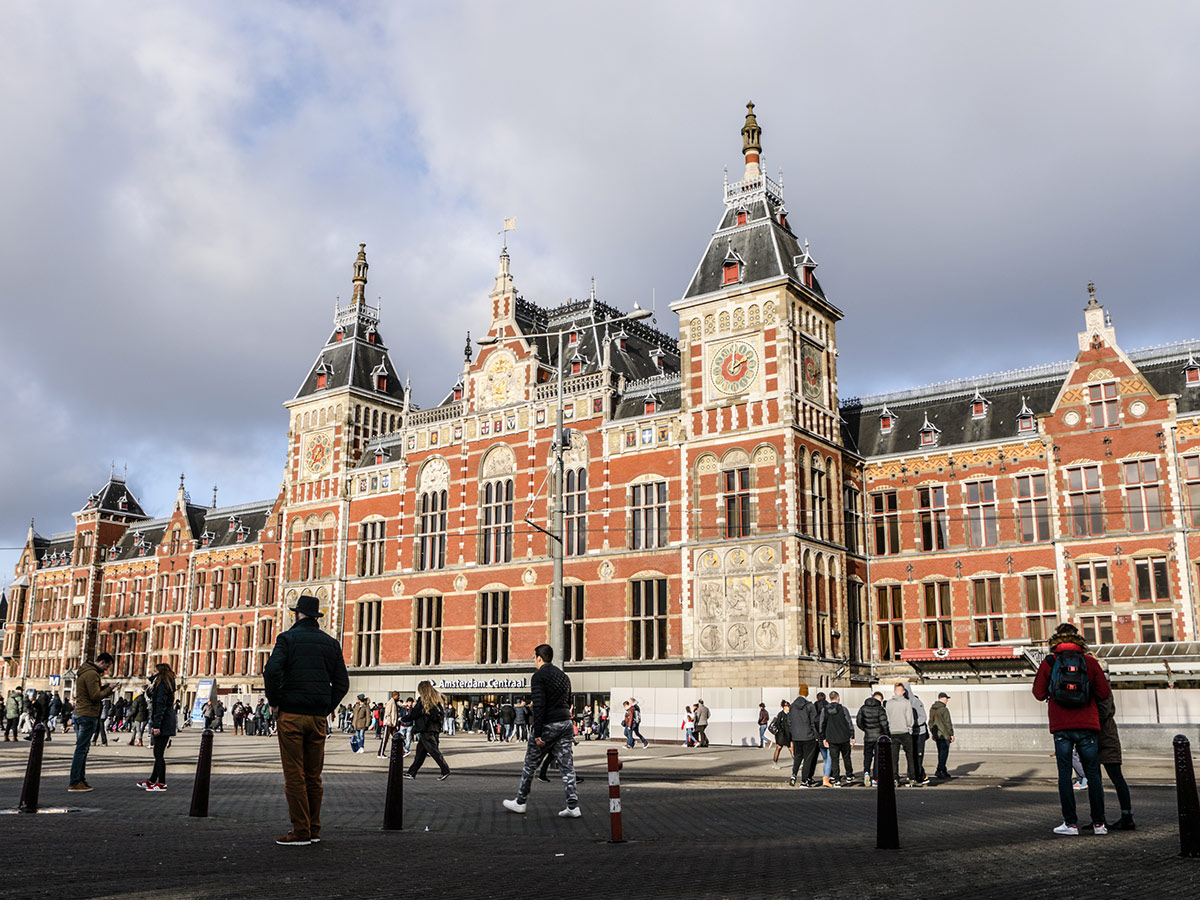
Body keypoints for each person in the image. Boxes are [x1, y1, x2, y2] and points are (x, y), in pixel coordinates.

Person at [263, 594, 350, 846]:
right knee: (314, 775)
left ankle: (300, 830)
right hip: (317, 719)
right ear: (317, 617)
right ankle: (313, 828)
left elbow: (271, 670)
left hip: (291, 715)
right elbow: (342, 684)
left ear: (296, 614)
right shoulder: (331, 643)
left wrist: (275, 701)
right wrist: (325, 707)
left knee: (294, 775)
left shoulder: (287, 639)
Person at [1032, 623, 1111, 836]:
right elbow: (1104, 693)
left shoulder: (1050, 662)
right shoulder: (1089, 661)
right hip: (1088, 725)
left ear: (1056, 638)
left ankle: (1071, 824)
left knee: (1064, 775)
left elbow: (1038, 693)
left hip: (1062, 726)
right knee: (1093, 775)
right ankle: (1099, 824)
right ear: (1078, 638)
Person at [502, 644, 580, 818]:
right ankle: (573, 806)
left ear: (539, 658)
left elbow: (539, 705)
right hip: (565, 723)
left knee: (530, 764)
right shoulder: (564, 676)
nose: (534, 661)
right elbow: (568, 700)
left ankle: (520, 801)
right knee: (567, 767)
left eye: (534, 657)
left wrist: (537, 733)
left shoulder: (538, 677)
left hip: (548, 725)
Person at [69, 652, 115, 792]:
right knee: (81, 749)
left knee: (82, 748)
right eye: (106, 666)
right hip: (87, 714)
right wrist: (109, 689)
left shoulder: (84, 672)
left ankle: (80, 780)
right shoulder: (92, 674)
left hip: (80, 713)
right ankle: (75, 781)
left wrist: (102, 687)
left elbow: (89, 692)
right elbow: (95, 696)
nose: (106, 669)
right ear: (102, 662)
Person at [1097, 692, 1135, 831]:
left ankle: (1126, 816)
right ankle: (1100, 817)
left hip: (1105, 739)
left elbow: (1103, 712)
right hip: (1104, 738)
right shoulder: (1101, 689)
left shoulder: (1102, 690)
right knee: (1111, 778)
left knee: (1116, 778)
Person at [137, 662, 178, 791]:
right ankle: (152, 781)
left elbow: (160, 706)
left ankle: (162, 783)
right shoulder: (165, 684)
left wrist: (156, 725)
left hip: (163, 722)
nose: (152, 673)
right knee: (158, 753)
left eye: (154, 671)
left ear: (159, 673)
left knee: (158, 754)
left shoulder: (161, 686)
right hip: (167, 720)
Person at [404, 681, 452, 780]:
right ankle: (411, 773)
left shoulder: (423, 701)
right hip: (432, 729)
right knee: (420, 753)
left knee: (434, 752)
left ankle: (445, 769)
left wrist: (403, 719)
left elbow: (414, 714)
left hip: (426, 730)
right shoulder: (436, 701)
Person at [819, 691, 856, 786]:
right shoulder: (843, 709)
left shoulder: (825, 710)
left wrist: (823, 737)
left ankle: (837, 779)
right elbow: (849, 722)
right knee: (846, 757)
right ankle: (849, 775)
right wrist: (852, 735)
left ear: (830, 699)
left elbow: (822, 724)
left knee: (834, 760)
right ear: (838, 698)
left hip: (831, 738)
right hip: (844, 737)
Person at [885, 684, 917, 786]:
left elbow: (887, 718)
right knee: (910, 756)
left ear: (894, 691)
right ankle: (912, 778)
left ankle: (895, 778)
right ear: (903, 692)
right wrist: (909, 728)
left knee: (894, 757)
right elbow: (909, 718)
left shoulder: (888, 703)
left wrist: (890, 729)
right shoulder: (906, 703)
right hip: (904, 731)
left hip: (893, 732)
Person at [786, 691, 820, 787]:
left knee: (797, 756)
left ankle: (793, 775)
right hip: (808, 736)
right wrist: (816, 735)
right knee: (808, 759)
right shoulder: (810, 706)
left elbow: (789, 721)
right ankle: (804, 780)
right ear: (807, 693)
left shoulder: (792, 706)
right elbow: (814, 722)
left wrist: (793, 732)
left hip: (796, 737)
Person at [856, 691, 888, 786]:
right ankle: (876, 779)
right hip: (878, 736)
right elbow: (884, 723)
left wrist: (865, 729)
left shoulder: (863, 708)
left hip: (868, 736)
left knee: (867, 755)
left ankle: (866, 772)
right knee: (878, 758)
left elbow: (859, 721)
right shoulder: (880, 709)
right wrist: (885, 734)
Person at [905, 685, 931, 785]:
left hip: (919, 732)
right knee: (911, 755)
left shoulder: (916, 702)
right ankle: (918, 775)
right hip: (909, 732)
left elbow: (923, 717)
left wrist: (911, 723)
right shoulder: (904, 702)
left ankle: (918, 775)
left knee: (918, 755)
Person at [929, 692, 955, 779]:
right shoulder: (944, 710)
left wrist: (933, 732)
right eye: (947, 698)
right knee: (944, 753)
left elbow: (930, 722)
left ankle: (943, 770)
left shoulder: (933, 709)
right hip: (944, 735)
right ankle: (939, 770)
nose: (947, 700)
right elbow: (947, 723)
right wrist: (951, 734)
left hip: (937, 735)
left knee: (941, 753)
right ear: (943, 699)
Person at [769, 701, 791, 768]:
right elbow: (777, 724)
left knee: (791, 748)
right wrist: (780, 731)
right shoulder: (780, 714)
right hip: (781, 735)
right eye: (787, 706)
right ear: (784, 707)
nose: (788, 707)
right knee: (779, 748)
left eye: (789, 706)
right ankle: (774, 762)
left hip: (788, 734)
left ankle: (798, 764)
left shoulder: (790, 714)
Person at [379, 691, 400, 758]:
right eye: (398, 696)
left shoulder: (394, 703)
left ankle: (402, 751)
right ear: (395, 696)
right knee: (385, 739)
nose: (399, 697)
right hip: (389, 724)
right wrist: (388, 722)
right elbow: (387, 713)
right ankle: (380, 753)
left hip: (393, 724)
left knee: (397, 737)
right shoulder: (390, 703)